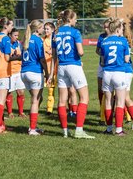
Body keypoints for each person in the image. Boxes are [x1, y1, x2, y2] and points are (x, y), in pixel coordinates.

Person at [48, 9, 95, 139]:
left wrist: (51, 74)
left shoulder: (55, 32)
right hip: (73, 65)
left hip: (61, 67)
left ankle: (64, 131)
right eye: (75, 18)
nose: (76, 21)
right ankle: (79, 130)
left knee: (61, 101)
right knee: (84, 97)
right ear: (69, 19)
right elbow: (80, 52)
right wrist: (79, 51)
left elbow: (53, 56)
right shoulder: (75, 32)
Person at [100, 18, 130, 136]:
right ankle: (118, 130)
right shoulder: (123, 41)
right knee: (120, 101)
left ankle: (108, 129)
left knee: (108, 102)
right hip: (119, 73)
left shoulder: (104, 41)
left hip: (106, 73)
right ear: (117, 29)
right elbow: (127, 59)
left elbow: (102, 61)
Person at [21, 20, 49, 136]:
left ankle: (33, 125)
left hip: (24, 73)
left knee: (37, 99)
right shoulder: (38, 40)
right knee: (35, 101)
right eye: (42, 27)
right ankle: (32, 129)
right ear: (37, 29)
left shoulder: (25, 39)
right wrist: (47, 73)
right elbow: (42, 59)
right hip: (35, 72)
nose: (43, 30)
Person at [0, 17, 15, 134]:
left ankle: (1, 125)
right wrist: (18, 56)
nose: (12, 28)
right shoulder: (5, 39)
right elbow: (6, 57)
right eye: (11, 25)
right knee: (1, 100)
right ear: (6, 26)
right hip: (3, 71)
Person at [7, 28, 26, 118]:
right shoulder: (6, 44)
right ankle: (10, 112)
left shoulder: (18, 44)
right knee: (9, 92)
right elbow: (6, 58)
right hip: (9, 71)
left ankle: (21, 112)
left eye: (17, 35)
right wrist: (16, 57)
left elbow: (22, 56)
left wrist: (17, 57)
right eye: (15, 35)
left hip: (19, 71)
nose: (16, 37)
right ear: (10, 35)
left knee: (21, 92)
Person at [95, 19, 110, 125]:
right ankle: (102, 109)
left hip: (111, 67)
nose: (105, 29)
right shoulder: (101, 36)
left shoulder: (115, 37)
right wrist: (101, 52)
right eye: (104, 27)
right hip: (101, 65)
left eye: (107, 27)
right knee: (100, 88)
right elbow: (97, 50)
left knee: (110, 90)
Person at [43, 22, 57, 115]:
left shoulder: (54, 40)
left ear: (52, 30)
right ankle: (48, 109)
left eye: (47, 29)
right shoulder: (42, 40)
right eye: (45, 29)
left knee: (52, 89)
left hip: (54, 68)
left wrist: (52, 52)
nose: (46, 30)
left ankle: (50, 109)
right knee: (47, 89)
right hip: (45, 68)